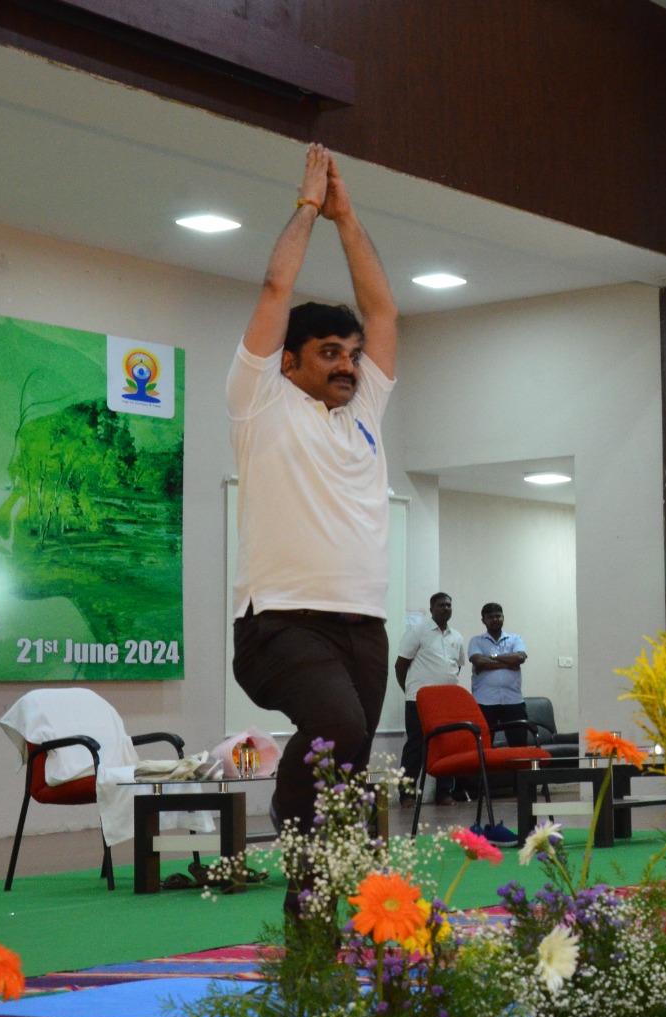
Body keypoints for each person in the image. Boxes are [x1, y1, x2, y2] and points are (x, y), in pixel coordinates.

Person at [229, 144, 398, 908]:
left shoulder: (363, 412)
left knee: (353, 755)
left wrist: (349, 218)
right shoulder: (260, 401)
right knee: (334, 724)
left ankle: (316, 907)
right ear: (288, 361)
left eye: (352, 355)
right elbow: (274, 285)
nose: (348, 366)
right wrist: (307, 208)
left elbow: (384, 311)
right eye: (330, 353)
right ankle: (289, 827)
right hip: (280, 623)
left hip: (362, 624)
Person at [396, 592, 467, 806]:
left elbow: (457, 668)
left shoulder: (457, 637)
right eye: (441, 605)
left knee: (445, 747)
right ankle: (407, 795)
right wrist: (411, 691)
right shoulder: (418, 632)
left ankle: (443, 793)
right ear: (431, 607)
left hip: (446, 703)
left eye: (448, 605)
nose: (446, 608)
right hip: (419, 701)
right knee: (415, 747)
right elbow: (401, 666)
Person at [468, 602, 530, 746]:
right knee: (482, 746)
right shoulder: (476, 641)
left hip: (513, 700)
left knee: (519, 745)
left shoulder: (515, 639)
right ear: (483, 620)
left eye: (498, 616)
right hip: (484, 701)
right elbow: (478, 661)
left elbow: (520, 658)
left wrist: (493, 657)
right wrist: (509, 662)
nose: (495, 619)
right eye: (490, 617)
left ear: (503, 617)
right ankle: (485, 770)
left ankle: (517, 770)